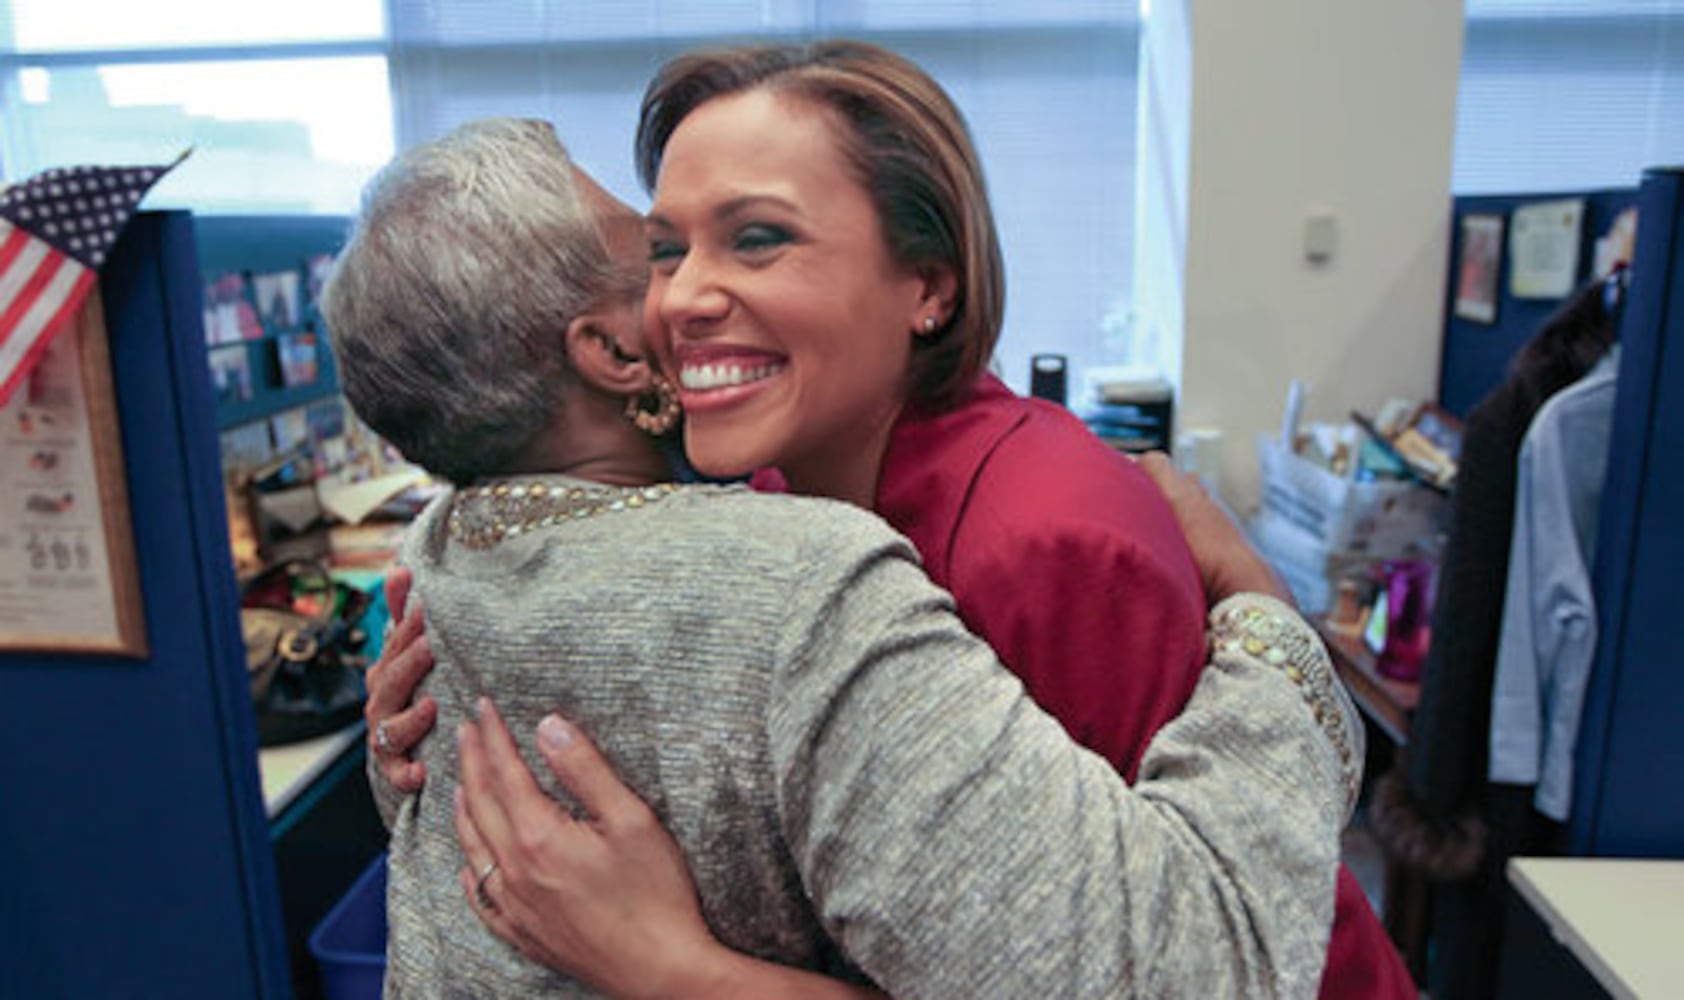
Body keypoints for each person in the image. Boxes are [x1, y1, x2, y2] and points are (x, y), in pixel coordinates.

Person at [371, 39, 1412, 997]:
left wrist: (1272, 632)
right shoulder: (769, 500)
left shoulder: (1043, 539)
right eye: (665, 250)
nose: (683, 298)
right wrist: (436, 740)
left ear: (928, 283)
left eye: (757, 238)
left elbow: (1171, 959)